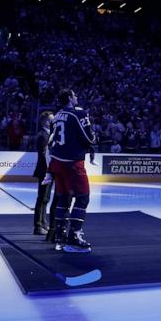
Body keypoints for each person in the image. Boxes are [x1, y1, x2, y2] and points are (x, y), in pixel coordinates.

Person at [49, 89, 97, 253]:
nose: (77, 97)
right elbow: (89, 137)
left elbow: (52, 141)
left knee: (63, 198)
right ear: (69, 98)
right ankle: (74, 236)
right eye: (75, 95)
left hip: (57, 161)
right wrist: (92, 140)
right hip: (72, 163)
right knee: (82, 197)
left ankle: (59, 236)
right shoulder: (79, 114)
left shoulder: (56, 116)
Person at [33, 111, 54, 235]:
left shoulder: (48, 135)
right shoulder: (42, 136)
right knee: (42, 198)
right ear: (45, 122)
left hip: (47, 171)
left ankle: (43, 223)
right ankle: (38, 225)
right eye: (51, 121)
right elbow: (45, 155)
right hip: (44, 171)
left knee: (45, 199)